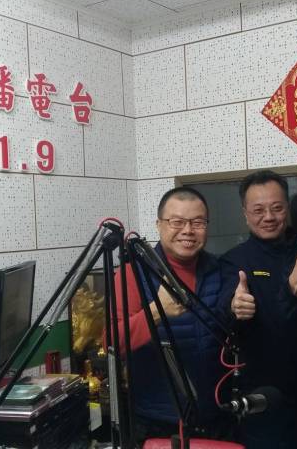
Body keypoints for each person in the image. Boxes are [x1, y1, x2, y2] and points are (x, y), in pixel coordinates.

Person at [113, 187, 230, 444]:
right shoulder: (132, 273)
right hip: (156, 420)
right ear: (159, 225)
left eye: (197, 222)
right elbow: (112, 343)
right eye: (177, 222)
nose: (188, 230)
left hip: (216, 415)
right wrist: (157, 311)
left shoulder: (220, 269)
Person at [221, 170, 297, 449]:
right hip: (263, 395)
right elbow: (226, 312)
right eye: (258, 210)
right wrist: (235, 307)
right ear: (245, 214)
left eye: (277, 208)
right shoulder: (234, 261)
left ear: (287, 208)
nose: (268, 217)